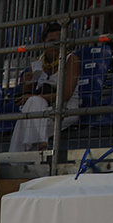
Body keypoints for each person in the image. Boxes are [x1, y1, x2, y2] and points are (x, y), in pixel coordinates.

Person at [9, 22, 81, 152]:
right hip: (42, 111)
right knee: (30, 109)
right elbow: (27, 92)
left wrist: (33, 97)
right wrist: (25, 82)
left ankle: (20, 159)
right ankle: (41, 146)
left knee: (28, 115)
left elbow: (65, 96)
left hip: (65, 110)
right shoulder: (37, 62)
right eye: (51, 41)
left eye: (59, 41)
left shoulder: (71, 59)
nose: (55, 45)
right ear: (44, 41)